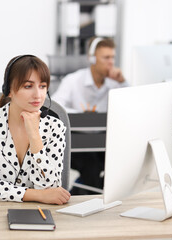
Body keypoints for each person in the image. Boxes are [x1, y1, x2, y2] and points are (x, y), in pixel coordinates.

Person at [0, 55, 71, 204]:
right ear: (9, 90)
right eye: (28, 86)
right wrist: (37, 195)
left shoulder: (55, 127)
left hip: (40, 214)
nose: (38, 95)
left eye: (42, 86)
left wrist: (35, 136)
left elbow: (52, 188)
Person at [51, 37, 128, 195]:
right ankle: (88, 196)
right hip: (78, 145)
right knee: (92, 168)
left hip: (104, 142)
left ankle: (78, 191)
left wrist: (123, 82)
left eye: (112, 57)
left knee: (120, 164)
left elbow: (131, 105)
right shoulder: (73, 80)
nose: (111, 62)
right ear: (92, 58)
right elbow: (56, 107)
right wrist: (82, 115)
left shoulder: (115, 83)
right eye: (106, 57)